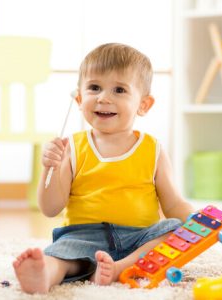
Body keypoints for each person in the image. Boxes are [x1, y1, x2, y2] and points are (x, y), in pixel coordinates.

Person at [12, 43, 194, 294]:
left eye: (119, 89)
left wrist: (194, 222)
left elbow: (173, 203)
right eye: (94, 88)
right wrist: (49, 169)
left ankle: (121, 267)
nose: (103, 98)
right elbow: (50, 208)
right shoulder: (72, 148)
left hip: (140, 239)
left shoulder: (153, 149)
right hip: (84, 237)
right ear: (79, 98)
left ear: (143, 105)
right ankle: (45, 274)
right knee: (63, 255)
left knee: (172, 230)